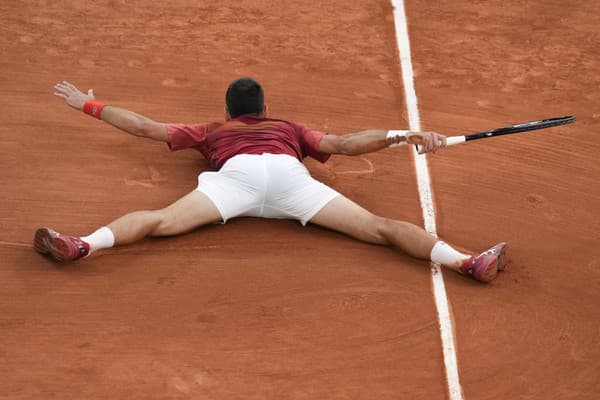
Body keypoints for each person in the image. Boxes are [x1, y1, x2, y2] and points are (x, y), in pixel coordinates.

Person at [35, 78, 506, 283]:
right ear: (264, 108)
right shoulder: (290, 129)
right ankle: (465, 263)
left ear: (228, 109)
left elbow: (143, 126)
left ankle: (82, 245)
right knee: (381, 228)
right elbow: (342, 144)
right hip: (289, 180)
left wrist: (89, 105)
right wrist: (403, 135)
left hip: (233, 182)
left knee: (158, 221)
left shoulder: (211, 130)